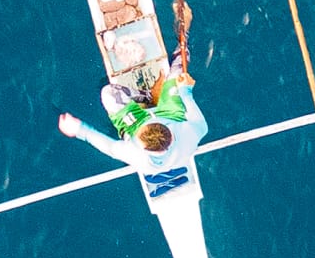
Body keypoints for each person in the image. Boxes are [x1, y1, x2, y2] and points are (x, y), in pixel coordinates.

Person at [58, 51, 207, 176]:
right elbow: (190, 103)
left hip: (136, 123)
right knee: (179, 71)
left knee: (109, 93)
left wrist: (79, 130)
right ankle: (182, 50)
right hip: (171, 114)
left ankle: (146, 97)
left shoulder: (135, 155)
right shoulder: (194, 131)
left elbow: (107, 146)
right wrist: (185, 89)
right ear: (172, 134)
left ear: (142, 147)